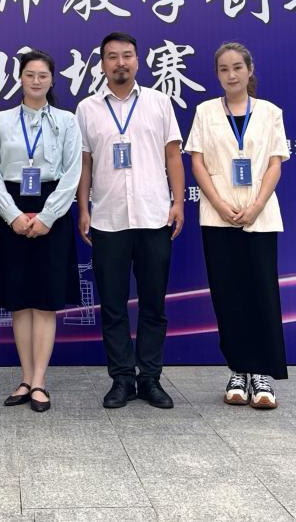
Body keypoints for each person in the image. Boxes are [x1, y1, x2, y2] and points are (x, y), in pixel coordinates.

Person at [75, 32, 185, 410]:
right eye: (112, 57)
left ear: (138, 61)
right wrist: (83, 208)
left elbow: (173, 156)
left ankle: (150, 378)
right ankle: (121, 378)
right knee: (113, 305)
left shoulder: (158, 102)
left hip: (154, 216)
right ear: (102, 64)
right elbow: (85, 162)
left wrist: (178, 202)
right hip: (108, 219)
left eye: (127, 56)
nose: (120, 63)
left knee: (153, 304)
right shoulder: (87, 108)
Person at [184, 42, 290, 410]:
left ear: (249, 70)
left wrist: (257, 205)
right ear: (217, 75)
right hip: (218, 215)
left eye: (237, 68)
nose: (231, 75)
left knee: (261, 291)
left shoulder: (270, 112)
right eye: (224, 69)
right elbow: (197, 162)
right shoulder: (205, 111)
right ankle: (238, 370)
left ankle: (261, 374)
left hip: (260, 216)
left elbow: (275, 163)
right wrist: (218, 203)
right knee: (227, 295)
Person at [0, 50, 82, 413]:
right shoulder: (1, 121)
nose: (36, 81)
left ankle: (40, 381)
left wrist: (47, 217)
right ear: (20, 79)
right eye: (29, 75)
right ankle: (25, 378)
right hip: (11, 210)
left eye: (43, 75)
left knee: (44, 301)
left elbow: (72, 173)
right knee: (19, 300)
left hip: (52, 211)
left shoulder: (66, 121)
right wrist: (12, 215)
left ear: (52, 79)